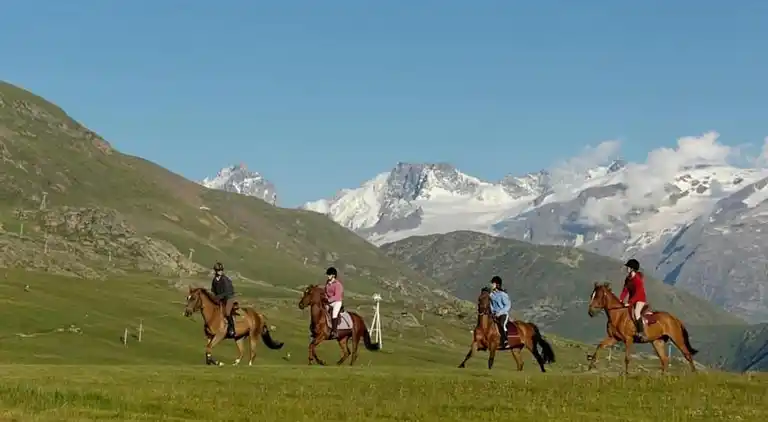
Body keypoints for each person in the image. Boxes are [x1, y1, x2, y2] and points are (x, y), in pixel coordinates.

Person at [619, 258, 648, 341]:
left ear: (632, 269)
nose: (626, 268)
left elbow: (638, 293)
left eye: (628, 267)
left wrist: (630, 302)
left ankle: (641, 332)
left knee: (636, 312)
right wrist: (620, 300)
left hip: (640, 299)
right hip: (632, 299)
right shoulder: (628, 279)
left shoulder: (637, 280)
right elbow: (625, 290)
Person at [211, 262, 236, 337]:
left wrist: (218, 297)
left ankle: (232, 328)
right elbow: (213, 290)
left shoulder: (225, 279)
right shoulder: (214, 280)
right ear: (215, 271)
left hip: (229, 298)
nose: (220, 271)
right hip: (220, 299)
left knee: (227, 312)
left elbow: (228, 292)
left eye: (221, 270)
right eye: (218, 270)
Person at [489, 276, 511, 348]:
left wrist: (499, 313)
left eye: (493, 283)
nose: (491, 285)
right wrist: (492, 312)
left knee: (502, 325)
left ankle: (505, 341)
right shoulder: (491, 295)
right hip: (494, 314)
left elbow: (507, 305)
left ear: (497, 285)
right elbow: (491, 305)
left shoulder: (503, 294)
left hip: (503, 314)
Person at [324, 267, 344, 338]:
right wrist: (325, 298)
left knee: (334, 314)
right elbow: (326, 292)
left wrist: (328, 300)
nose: (327, 276)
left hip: (337, 302)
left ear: (333, 275)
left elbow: (337, 295)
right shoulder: (327, 283)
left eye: (329, 275)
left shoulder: (338, 284)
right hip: (329, 302)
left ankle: (334, 332)